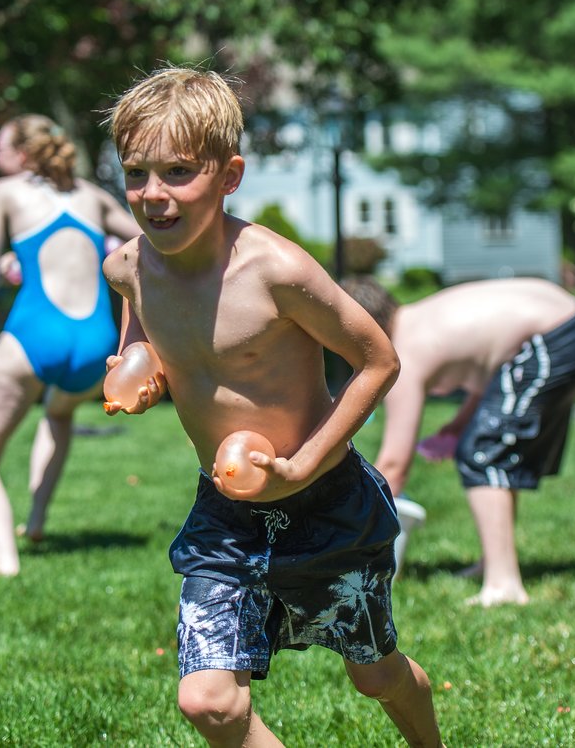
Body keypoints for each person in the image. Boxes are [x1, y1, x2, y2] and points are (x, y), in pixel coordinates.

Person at [102, 67, 444, 748]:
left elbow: (379, 360)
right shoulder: (128, 269)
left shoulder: (275, 270)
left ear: (229, 176)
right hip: (225, 511)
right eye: (136, 173)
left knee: (375, 676)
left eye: (177, 172)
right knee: (208, 702)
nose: (153, 194)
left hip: (327, 503)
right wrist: (136, 373)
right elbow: (142, 344)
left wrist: (301, 468)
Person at [342, 276, 575, 607]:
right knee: (489, 446)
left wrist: (349, 521)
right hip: (566, 322)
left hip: (556, 334)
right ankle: (494, 563)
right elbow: (492, 361)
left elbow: (394, 467)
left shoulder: (403, 353)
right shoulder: (417, 319)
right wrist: (461, 423)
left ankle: (504, 583)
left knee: (483, 454)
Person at [0, 114, 139, 577]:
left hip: (37, 332)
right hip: (94, 344)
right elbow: (146, 240)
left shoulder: (6, 192)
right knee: (58, 413)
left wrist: (3, 264)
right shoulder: (93, 196)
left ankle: (5, 562)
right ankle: (36, 520)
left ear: (22, 154)